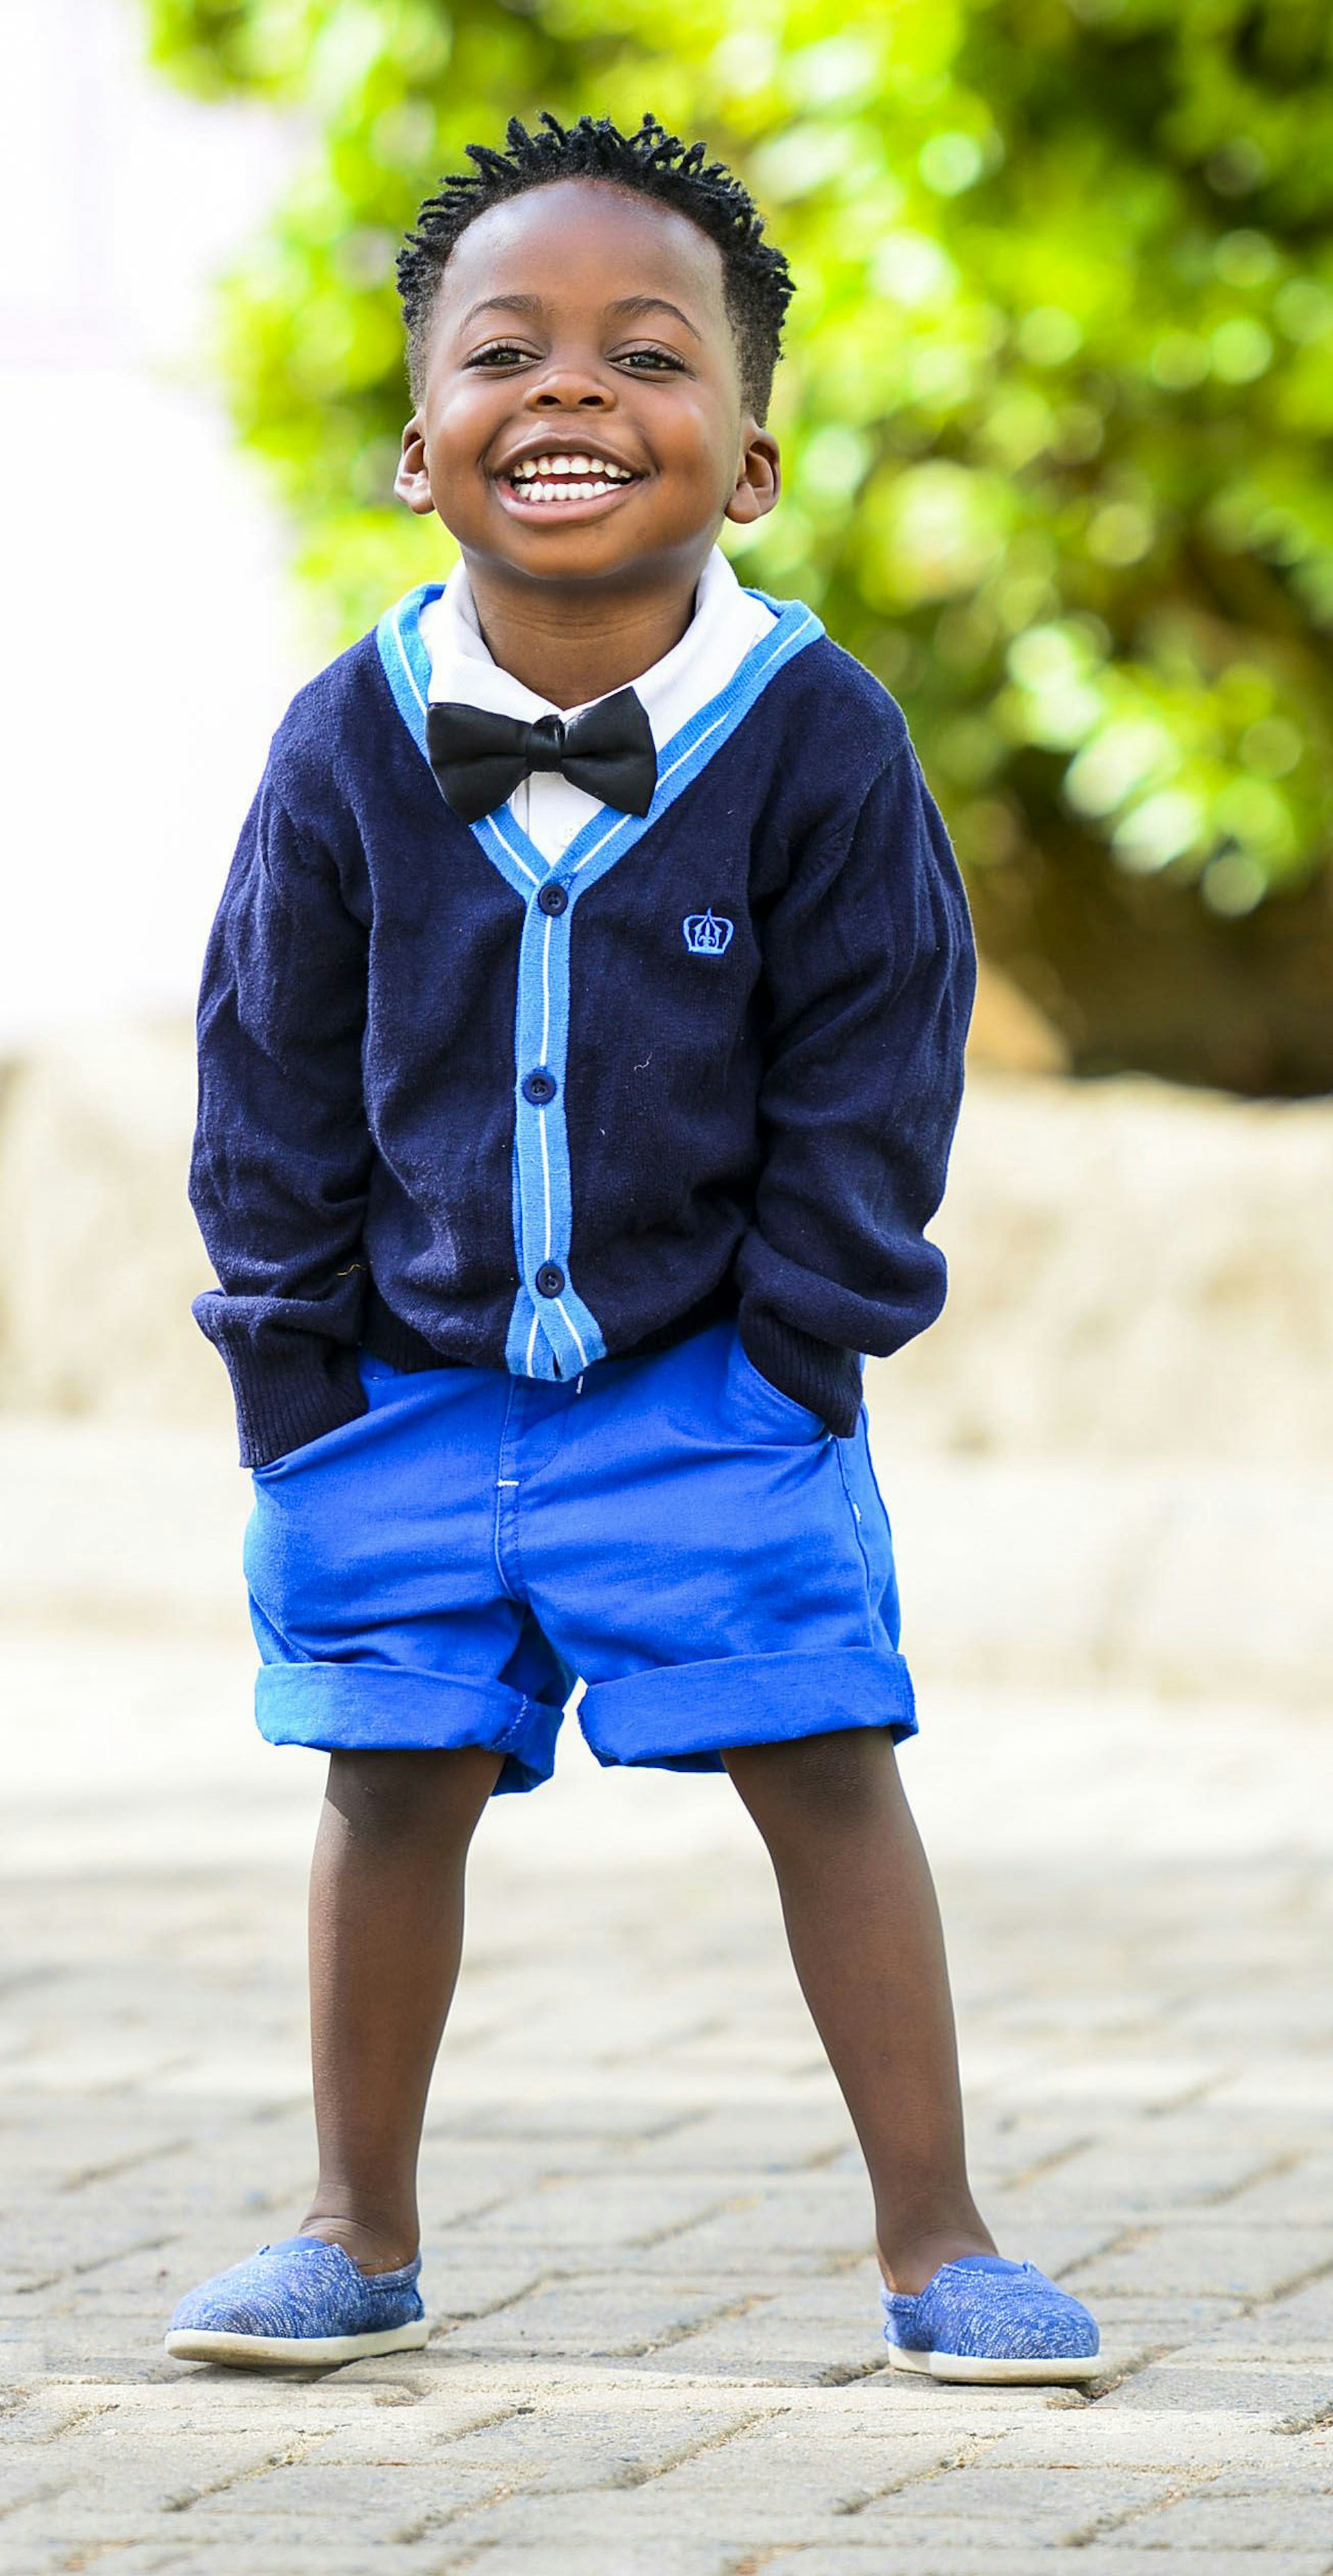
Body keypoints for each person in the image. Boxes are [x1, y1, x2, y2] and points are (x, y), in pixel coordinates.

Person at [167, 111, 1099, 2385]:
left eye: (646, 354)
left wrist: (800, 1349)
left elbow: (883, 1060)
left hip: (717, 1391)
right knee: (390, 1785)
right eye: (511, 351)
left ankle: (936, 2235)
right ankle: (352, 2231)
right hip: (394, 1389)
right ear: (417, 445)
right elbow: (264, 1066)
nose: (573, 391)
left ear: (751, 461)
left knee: (826, 1762)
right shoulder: (340, 745)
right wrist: (293, 1375)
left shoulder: (821, 741)